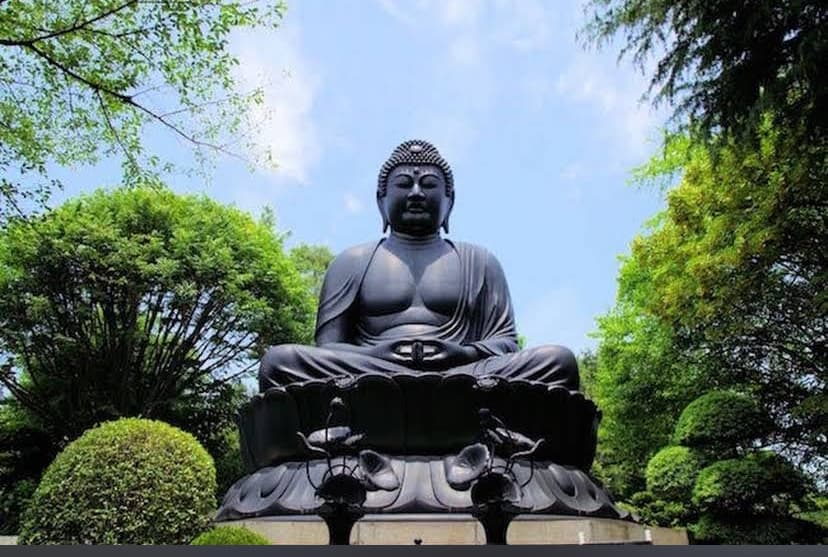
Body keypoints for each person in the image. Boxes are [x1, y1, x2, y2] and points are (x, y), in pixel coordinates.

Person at [259, 140, 578, 391]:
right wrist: (376, 355)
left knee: (557, 362)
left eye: (428, 184)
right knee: (279, 362)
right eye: (402, 184)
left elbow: (506, 343)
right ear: (381, 200)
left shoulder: (480, 261)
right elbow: (328, 347)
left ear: (449, 201)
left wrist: (464, 354)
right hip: (373, 374)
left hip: (462, 375)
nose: (415, 193)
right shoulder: (351, 262)